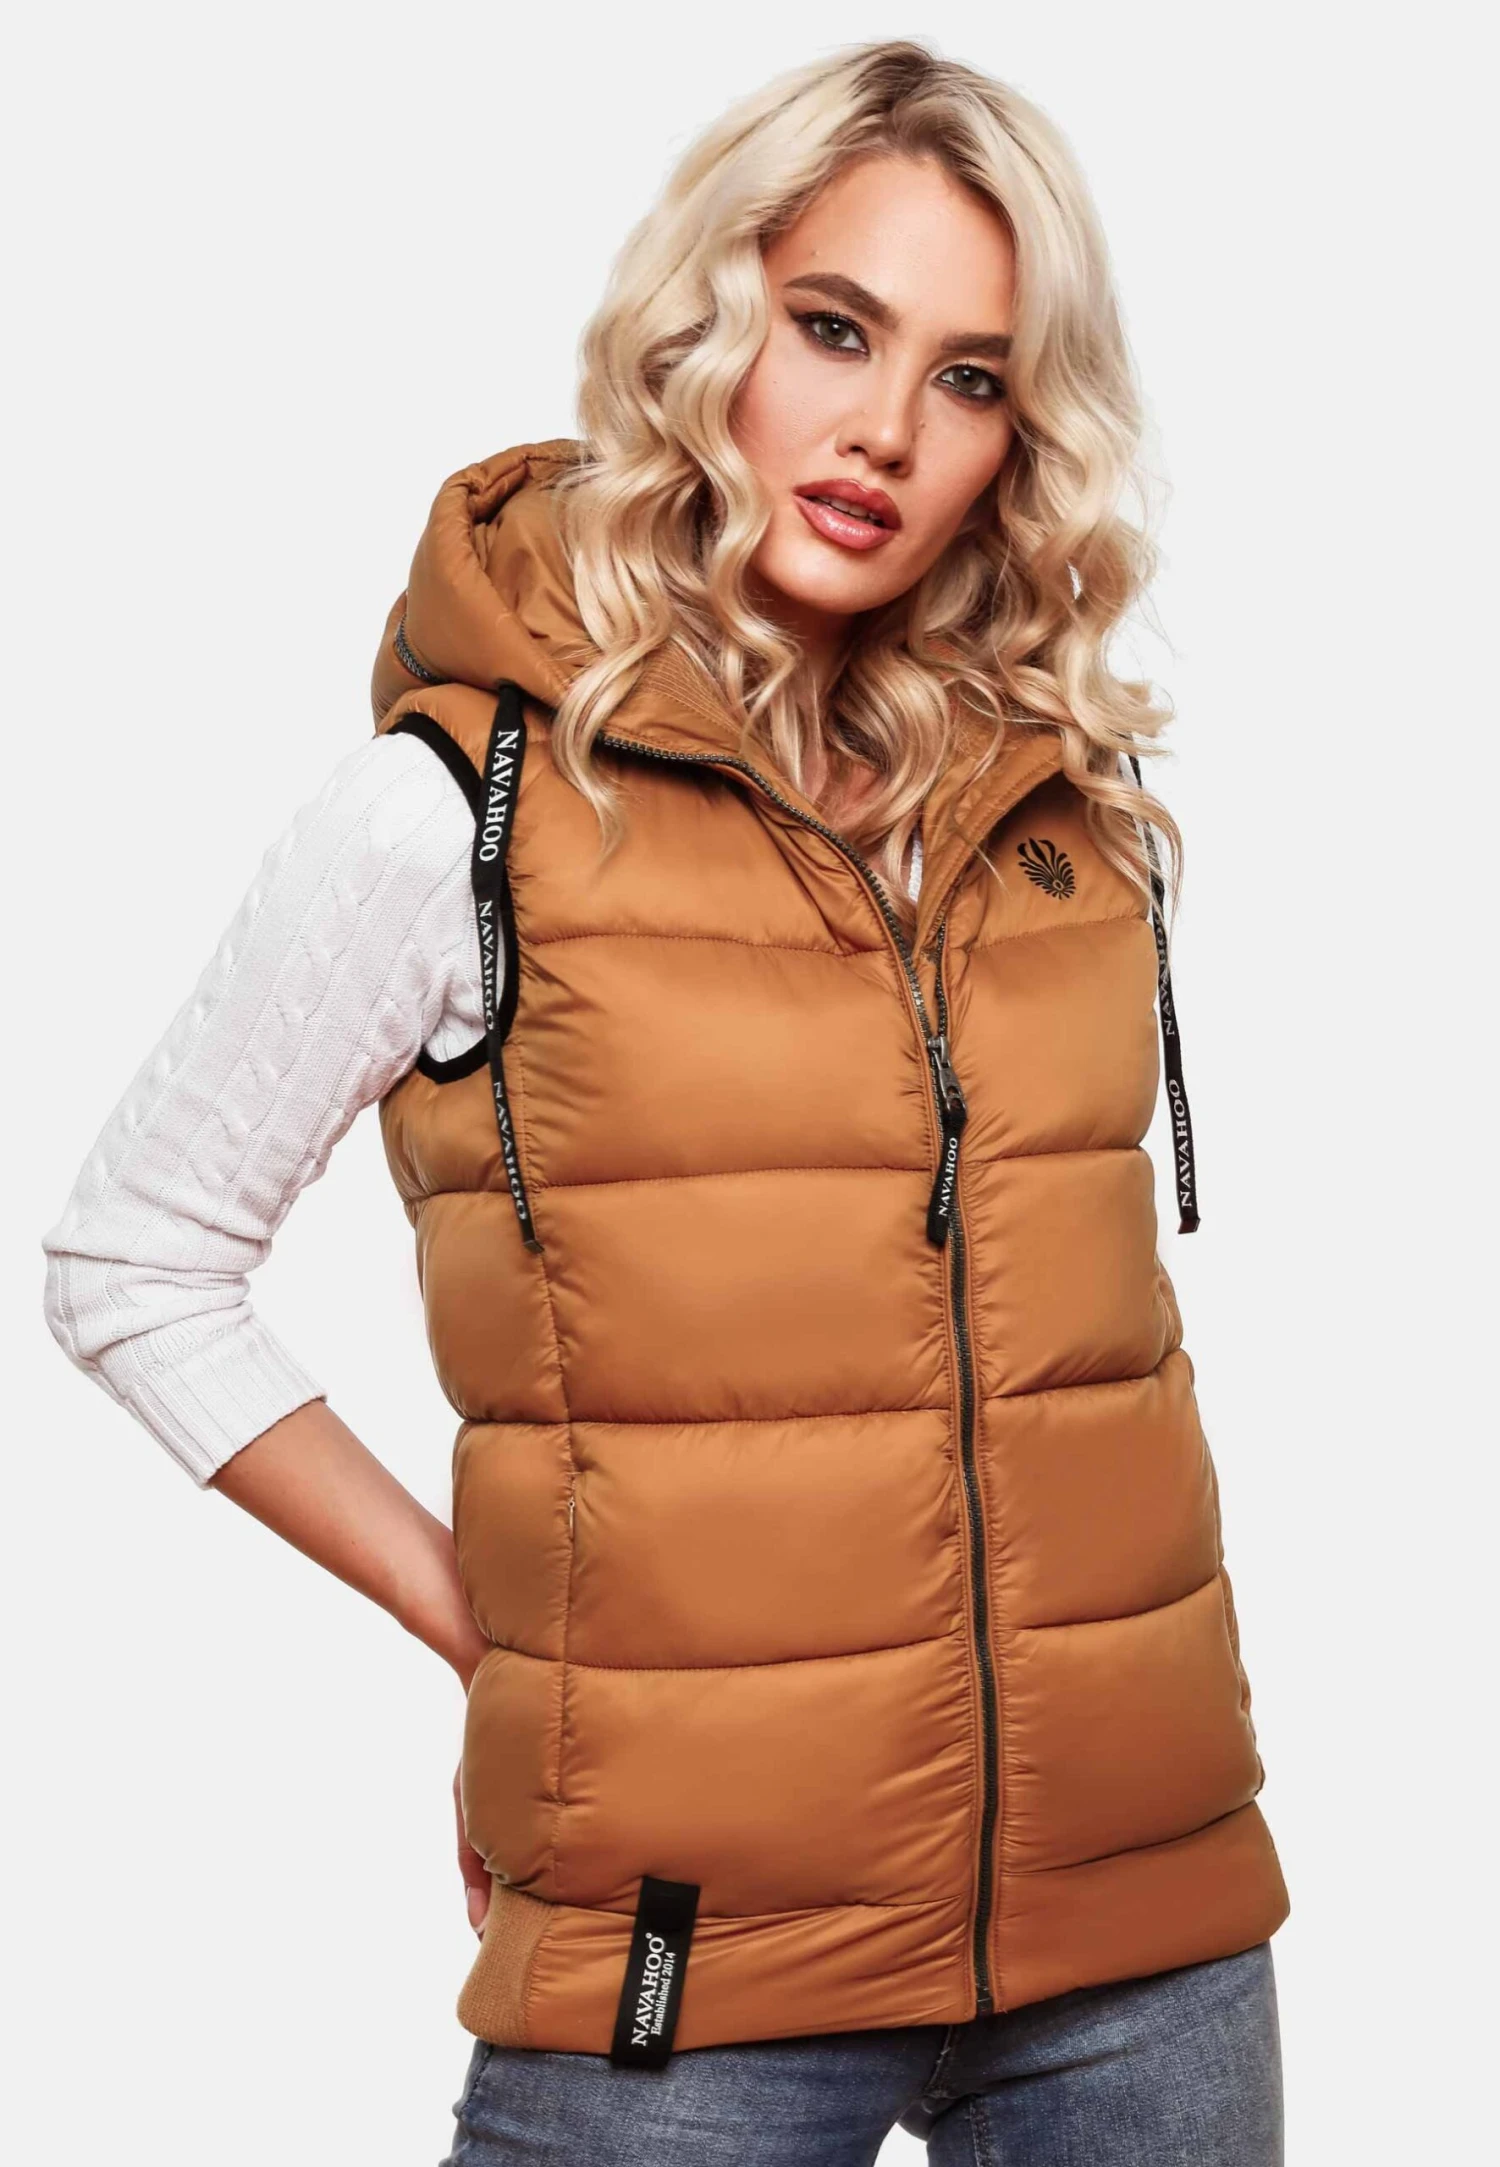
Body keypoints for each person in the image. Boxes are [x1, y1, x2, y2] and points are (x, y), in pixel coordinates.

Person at [40, 37, 1289, 2167]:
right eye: (834, 329)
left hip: (1148, 1945)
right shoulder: (462, 810)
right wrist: (490, 1634)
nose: (886, 432)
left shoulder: (1063, 803)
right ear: (711, 322)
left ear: (1022, 439)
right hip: (687, 1969)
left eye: (971, 380)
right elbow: (132, 1261)